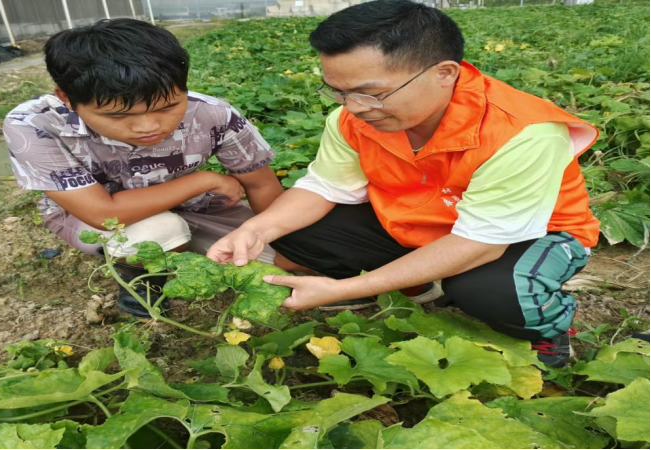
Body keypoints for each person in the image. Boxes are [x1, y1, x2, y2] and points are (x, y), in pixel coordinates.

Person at [207, 0, 600, 368]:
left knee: (491, 289)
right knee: (297, 227)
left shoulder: (521, 132)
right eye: (339, 92)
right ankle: (420, 284)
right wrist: (254, 230)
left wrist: (341, 290)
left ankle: (548, 332)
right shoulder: (352, 120)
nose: (355, 107)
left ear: (444, 73)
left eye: (371, 93)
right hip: (427, 224)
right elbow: (324, 188)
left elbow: (480, 243)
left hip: (527, 236)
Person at [3, 19, 284, 317]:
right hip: (94, 215)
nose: (149, 127)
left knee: (280, 262)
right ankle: (143, 285)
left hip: (193, 207)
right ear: (66, 99)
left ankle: (183, 245)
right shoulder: (35, 126)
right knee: (156, 232)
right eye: (117, 115)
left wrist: (287, 242)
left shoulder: (212, 114)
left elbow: (261, 184)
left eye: (167, 108)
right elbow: (103, 214)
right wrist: (202, 180)